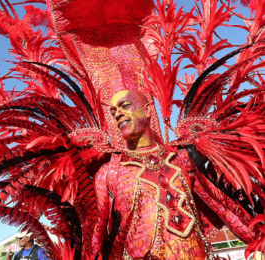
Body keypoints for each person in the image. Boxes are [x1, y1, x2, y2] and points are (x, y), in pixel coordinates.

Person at [92, 90, 255, 259]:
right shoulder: (110, 172)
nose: (118, 114)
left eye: (125, 106)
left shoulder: (182, 158)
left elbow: (222, 205)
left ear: (147, 111)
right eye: (113, 112)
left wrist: (257, 239)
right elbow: (97, 238)